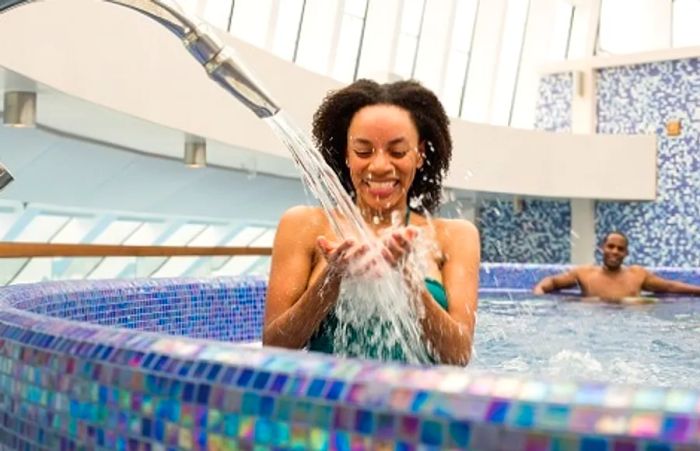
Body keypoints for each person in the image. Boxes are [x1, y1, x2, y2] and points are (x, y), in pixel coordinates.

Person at [262, 79, 479, 366]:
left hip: (416, 406)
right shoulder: (305, 225)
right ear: (346, 155)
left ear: (420, 154)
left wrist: (409, 282)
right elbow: (275, 346)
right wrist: (332, 278)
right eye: (363, 151)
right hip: (332, 402)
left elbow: (458, 355)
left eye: (398, 152)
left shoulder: (455, 236)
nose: (379, 166)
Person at [533, 231, 700, 300]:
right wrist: (539, 291)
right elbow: (553, 282)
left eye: (620, 249)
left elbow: (669, 287)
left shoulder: (637, 275)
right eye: (610, 246)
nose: (614, 251)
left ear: (626, 253)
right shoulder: (585, 273)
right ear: (602, 248)